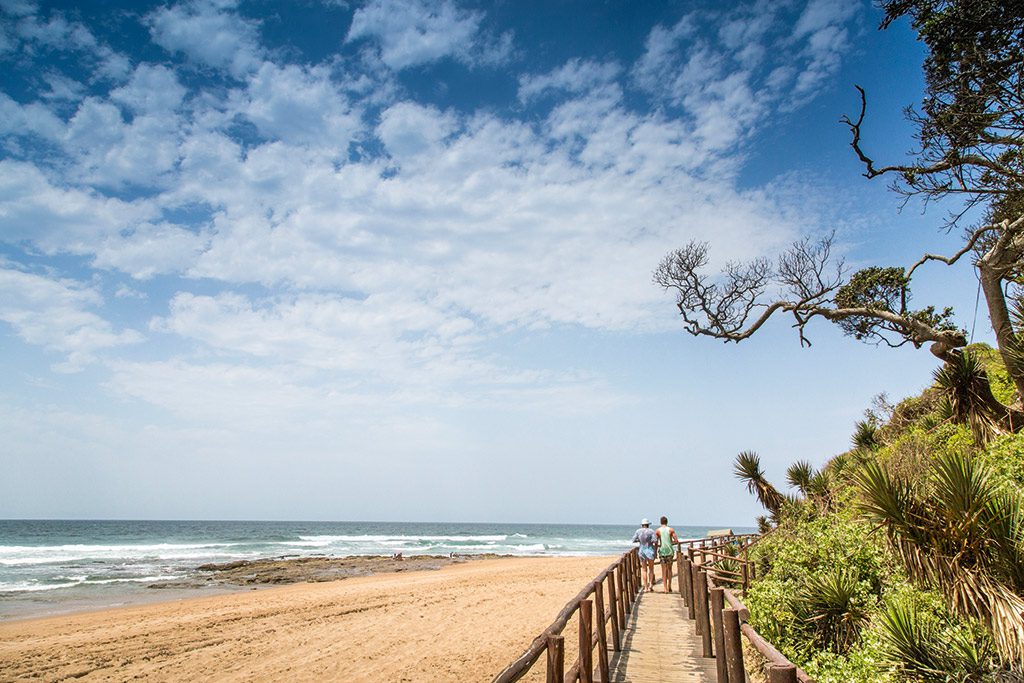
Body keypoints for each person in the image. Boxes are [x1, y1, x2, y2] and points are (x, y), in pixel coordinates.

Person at [654, 516, 679, 592]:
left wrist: (655, 551)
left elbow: (655, 542)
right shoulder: (671, 530)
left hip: (662, 551)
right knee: (670, 569)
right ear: (667, 522)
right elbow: (676, 541)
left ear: (660, 522)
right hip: (670, 551)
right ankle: (669, 586)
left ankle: (665, 588)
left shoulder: (658, 531)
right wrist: (670, 543)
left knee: (663, 570)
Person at [631, 518, 657, 591]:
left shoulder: (638, 531)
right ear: (648, 525)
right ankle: (650, 585)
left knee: (644, 569)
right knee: (651, 569)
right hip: (650, 551)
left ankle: (645, 587)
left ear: (642, 525)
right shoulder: (651, 531)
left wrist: (639, 540)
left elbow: (633, 540)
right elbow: (655, 540)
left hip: (642, 551)